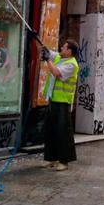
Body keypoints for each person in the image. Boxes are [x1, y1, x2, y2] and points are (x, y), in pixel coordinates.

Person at [41, 39, 80, 171]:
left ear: (69, 51)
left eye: (63, 48)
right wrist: (43, 48)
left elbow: (57, 73)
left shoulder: (72, 65)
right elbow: (49, 52)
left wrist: (47, 60)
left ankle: (64, 161)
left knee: (63, 132)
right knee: (50, 130)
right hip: (53, 100)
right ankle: (52, 158)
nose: (61, 49)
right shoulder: (59, 57)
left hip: (63, 102)